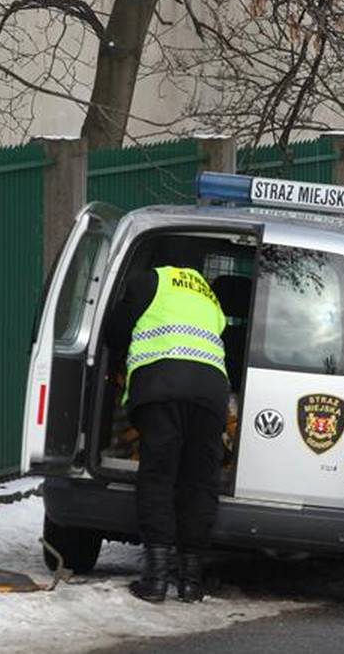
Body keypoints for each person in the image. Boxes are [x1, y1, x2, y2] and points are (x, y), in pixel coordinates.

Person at [106, 249, 229, 603]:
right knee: (200, 481)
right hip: (211, 393)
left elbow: (116, 330)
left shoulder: (151, 280)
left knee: (159, 476)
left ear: (161, 260)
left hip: (163, 387)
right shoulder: (208, 293)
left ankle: (155, 578)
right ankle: (191, 581)